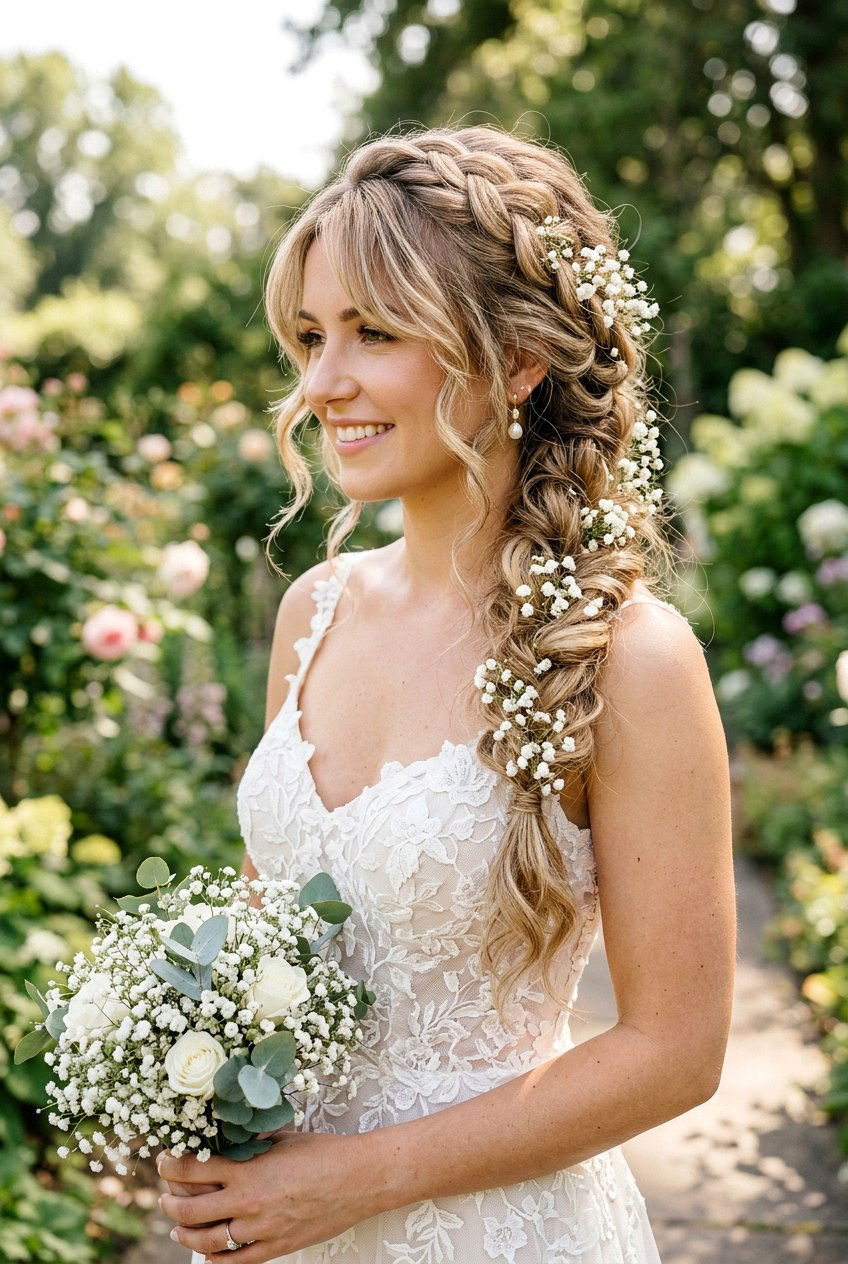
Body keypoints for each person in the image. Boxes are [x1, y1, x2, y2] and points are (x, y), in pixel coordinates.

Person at [158, 123, 736, 1263]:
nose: (324, 384)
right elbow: (270, 938)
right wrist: (191, 1080)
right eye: (312, 335)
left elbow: (678, 1047)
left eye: (374, 332)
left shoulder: (629, 658)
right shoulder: (309, 613)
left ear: (518, 360)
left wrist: (353, 1183)